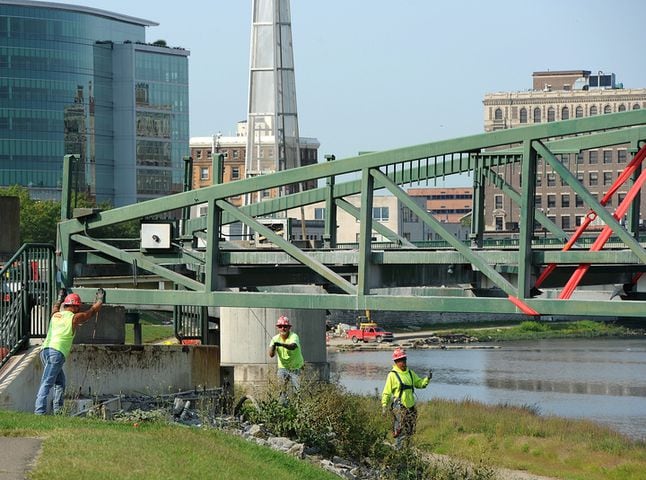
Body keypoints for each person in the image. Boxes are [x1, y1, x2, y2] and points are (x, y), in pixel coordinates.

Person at [34, 287, 105, 415]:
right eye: (78, 307)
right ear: (76, 307)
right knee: (47, 383)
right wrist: (100, 299)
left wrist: (60, 296)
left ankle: (58, 411)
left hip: (44, 351)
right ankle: (39, 412)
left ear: (65, 304)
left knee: (60, 382)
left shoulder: (55, 315)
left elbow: (55, 305)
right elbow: (91, 312)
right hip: (57, 352)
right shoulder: (74, 318)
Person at [381, 347, 431, 448]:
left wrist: (427, 379)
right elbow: (386, 392)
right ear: (396, 362)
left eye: (404, 360)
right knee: (400, 430)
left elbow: (420, 384)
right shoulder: (392, 375)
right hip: (399, 408)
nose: (403, 362)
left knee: (410, 431)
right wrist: (384, 406)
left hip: (411, 407)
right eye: (401, 360)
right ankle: (398, 451)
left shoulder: (410, 373)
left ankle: (408, 450)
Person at [267, 315, 304, 391]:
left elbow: (293, 346)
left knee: (297, 391)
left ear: (289, 328)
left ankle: (296, 403)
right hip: (282, 368)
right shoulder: (275, 338)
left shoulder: (294, 336)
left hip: (296, 368)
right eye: (280, 326)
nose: (282, 328)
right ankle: (283, 403)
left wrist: (281, 344)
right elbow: (271, 355)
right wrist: (274, 346)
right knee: (282, 391)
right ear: (277, 328)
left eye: (285, 326)